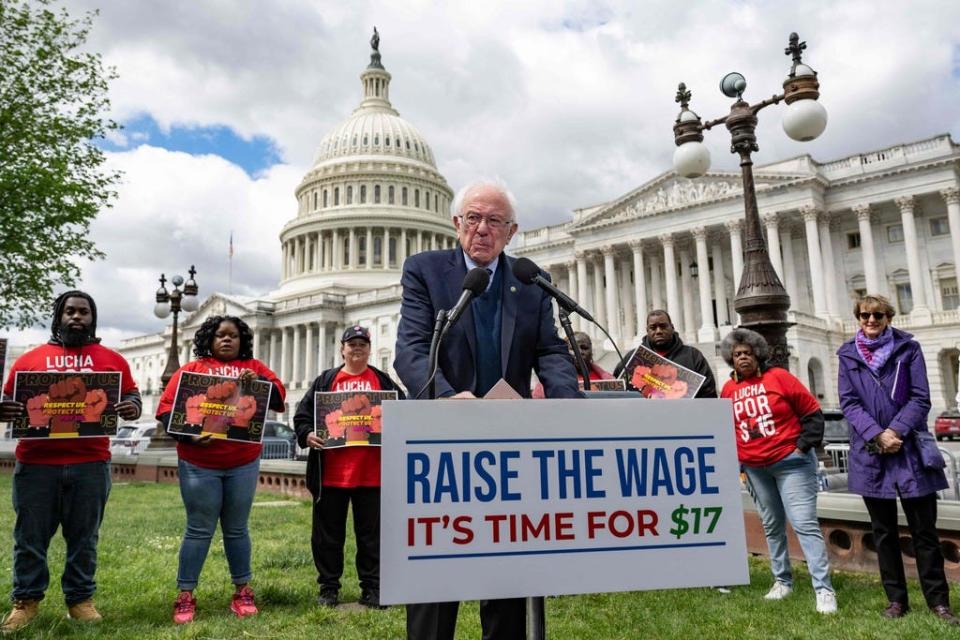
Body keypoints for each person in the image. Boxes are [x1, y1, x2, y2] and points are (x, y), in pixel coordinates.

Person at [394, 178, 580, 640]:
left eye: (494, 221)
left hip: (510, 441)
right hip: (443, 441)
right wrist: (443, 394)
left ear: (511, 231)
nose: (482, 229)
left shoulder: (530, 281)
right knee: (439, 573)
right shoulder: (426, 271)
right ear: (457, 224)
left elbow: (551, 352)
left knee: (507, 572)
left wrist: (567, 402)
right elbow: (411, 351)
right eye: (473, 219)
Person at [0, 291, 142, 633]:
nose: (77, 318)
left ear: (92, 318)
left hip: (90, 462)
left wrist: (132, 407)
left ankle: (80, 600)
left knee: (84, 537)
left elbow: (132, 396)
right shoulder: (30, 360)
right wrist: (3, 409)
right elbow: (8, 399)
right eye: (70, 312)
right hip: (36, 464)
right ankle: (26, 602)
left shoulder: (112, 360)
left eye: (83, 312)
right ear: (58, 316)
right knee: (30, 537)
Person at [155, 315, 286, 624]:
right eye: (220, 335)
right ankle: (185, 594)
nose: (227, 340)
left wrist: (260, 384)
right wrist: (188, 435)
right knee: (198, 529)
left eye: (233, 336)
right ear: (209, 340)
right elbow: (164, 411)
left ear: (242, 340)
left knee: (237, 528)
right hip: (199, 463)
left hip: (243, 461)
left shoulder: (255, 369)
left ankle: (242, 591)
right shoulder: (192, 370)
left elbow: (279, 400)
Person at [837, 295, 958, 624]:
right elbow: (849, 403)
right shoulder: (847, 354)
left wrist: (894, 431)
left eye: (877, 315)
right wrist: (877, 434)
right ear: (858, 318)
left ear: (889, 317)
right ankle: (896, 600)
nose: (871, 320)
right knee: (884, 532)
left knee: (925, 532)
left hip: (909, 450)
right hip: (871, 452)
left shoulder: (909, 348)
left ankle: (938, 602)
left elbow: (921, 398)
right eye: (865, 315)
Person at [719, 328, 837, 614]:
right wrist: (739, 461)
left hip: (790, 463)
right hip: (755, 468)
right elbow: (726, 426)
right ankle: (782, 581)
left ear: (758, 354)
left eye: (747, 353)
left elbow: (811, 411)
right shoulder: (728, 389)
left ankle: (823, 589)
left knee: (803, 524)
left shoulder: (779, 377)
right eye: (737, 355)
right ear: (730, 359)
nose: (742, 358)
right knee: (772, 525)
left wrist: (802, 446)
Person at [293, 325, 405, 609]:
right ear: (342, 349)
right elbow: (302, 415)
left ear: (369, 349)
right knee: (327, 537)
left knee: (373, 538)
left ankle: (373, 588)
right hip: (331, 475)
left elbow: (404, 413)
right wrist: (307, 434)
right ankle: (328, 588)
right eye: (352, 344)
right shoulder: (326, 381)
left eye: (362, 344)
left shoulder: (384, 382)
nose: (357, 348)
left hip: (374, 475)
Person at [613, 310, 717, 398]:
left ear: (672, 327)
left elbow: (708, 394)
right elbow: (617, 390)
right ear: (647, 331)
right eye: (653, 328)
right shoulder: (631, 358)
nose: (658, 331)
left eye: (663, 326)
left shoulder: (693, 356)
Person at [531, 331, 612, 397]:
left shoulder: (609, 379)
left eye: (584, 347)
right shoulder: (549, 381)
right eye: (573, 348)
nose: (579, 352)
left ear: (591, 351)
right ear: (565, 351)